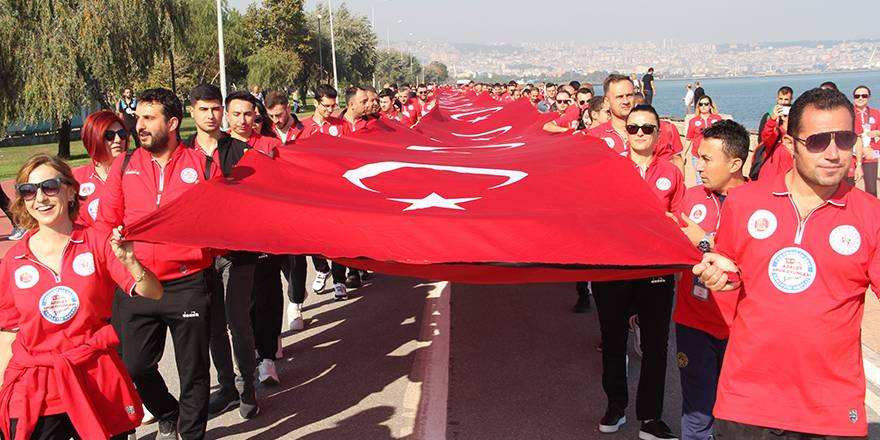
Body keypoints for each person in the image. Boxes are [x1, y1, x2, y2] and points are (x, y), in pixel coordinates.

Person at [694, 88, 875, 440]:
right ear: (791, 145)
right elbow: (733, 273)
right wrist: (720, 276)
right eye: (819, 141)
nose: (835, 154)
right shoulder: (744, 202)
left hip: (831, 412)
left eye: (845, 139)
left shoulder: (871, 215)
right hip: (745, 403)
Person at [99, 87, 234, 440]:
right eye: (137, 118)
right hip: (138, 282)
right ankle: (167, 410)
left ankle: (191, 435)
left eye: (148, 119)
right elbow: (106, 223)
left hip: (188, 283)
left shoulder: (204, 166)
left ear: (172, 123)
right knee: (135, 366)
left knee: (193, 371)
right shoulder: (125, 166)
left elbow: (223, 225)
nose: (138, 126)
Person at [0, 153, 163, 439]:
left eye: (50, 187)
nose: (40, 198)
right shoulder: (14, 259)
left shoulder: (96, 241)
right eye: (28, 191)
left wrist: (131, 262)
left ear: (70, 190)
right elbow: (7, 332)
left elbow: (154, 292)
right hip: (40, 390)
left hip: (96, 379)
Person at [591, 104, 683, 440]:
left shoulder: (672, 174)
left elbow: (681, 221)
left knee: (657, 347)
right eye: (633, 128)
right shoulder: (609, 170)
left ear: (659, 133)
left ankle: (650, 418)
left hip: (656, 272)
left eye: (647, 128)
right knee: (614, 342)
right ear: (625, 132)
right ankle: (616, 406)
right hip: (613, 270)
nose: (640, 134)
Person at [179, 84, 262, 421]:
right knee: (212, 325)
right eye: (204, 109)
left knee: (237, 321)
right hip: (198, 256)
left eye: (215, 109)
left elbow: (258, 200)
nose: (210, 116)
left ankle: (247, 387)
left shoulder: (242, 152)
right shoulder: (180, 154)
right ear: (192, 112)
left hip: (238, 253)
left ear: (222, 112)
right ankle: (226, 387)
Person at [665, 120, 749, 440]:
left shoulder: (761, 204)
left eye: (707, 159)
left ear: (735, 163)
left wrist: (705, 242)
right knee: (697, 412)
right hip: (694, 322)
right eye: (698, 157)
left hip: (743, 327)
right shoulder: (689, 198)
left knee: (739, 415)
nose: (698, 166)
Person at [72, 111, 130, 227]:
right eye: (109, 135)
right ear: (93, 139)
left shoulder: (136, 173)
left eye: (122, 134)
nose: (118, 139)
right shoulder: (76, 179)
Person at [585, 74, 634, 157]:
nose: (625, 101)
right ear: (607, 101)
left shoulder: (649, 131)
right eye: (619, 97)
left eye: (629, 95)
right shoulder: (594, 137)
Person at [751, 87, 794, 180]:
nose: (783, 102)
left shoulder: (796, 133)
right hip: (772, 173)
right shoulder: (769, 117)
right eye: (781, 99)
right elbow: (765, 137)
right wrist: (773, 119)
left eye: (786, 99)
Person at [686, 95, 723, 184]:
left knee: (714, 177)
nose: (703, 106)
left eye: (706, 104)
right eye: (701, 104)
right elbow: (689, 139)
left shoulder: (717, 119)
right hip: (697, 155)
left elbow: (723, 136)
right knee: (700, 180)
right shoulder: (693, 121)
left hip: (714, 154)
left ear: (710, 106)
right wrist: (683, 154)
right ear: (698, 106)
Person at [854, 85, 879, 196]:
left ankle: (873, 212)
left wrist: (878, 133)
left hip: (870, 154)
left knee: (871, 190)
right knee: (849, 188)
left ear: (868, 97)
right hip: (852, 155)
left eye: (864, 95)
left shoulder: (875, 113)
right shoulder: (849, 113)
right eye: (857, 96)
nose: (860, 98)